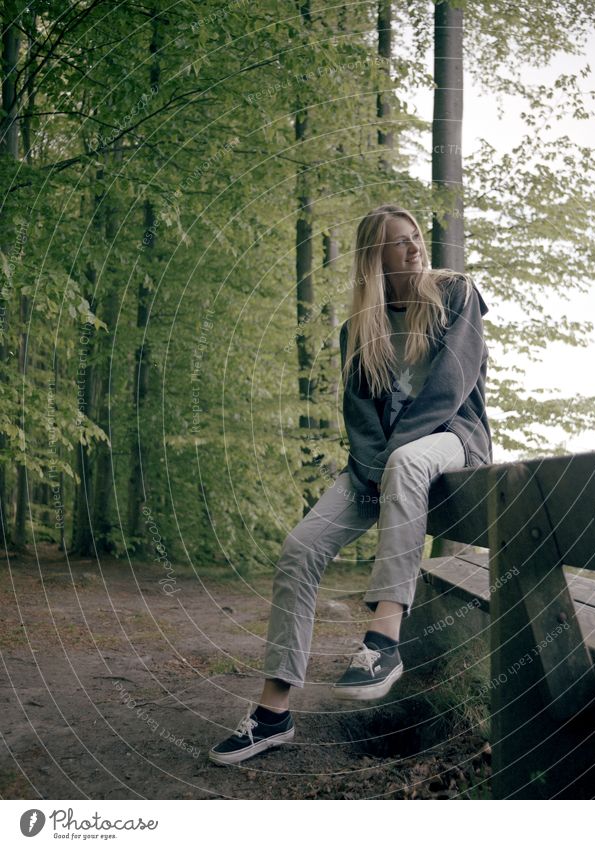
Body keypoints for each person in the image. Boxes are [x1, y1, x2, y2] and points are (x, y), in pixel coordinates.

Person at [209, 203, 492, 765]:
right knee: (299, 550)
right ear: (374, 258)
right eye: (399, 242)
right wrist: (375, 466)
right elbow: (359, 419)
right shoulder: (356, 331)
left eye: (416, 237)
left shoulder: (457, 295)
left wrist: (391, 460)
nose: (414, 248)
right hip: (380, 465)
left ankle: (384, 641)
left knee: (408, 461)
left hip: (454, 444)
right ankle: (272, 713)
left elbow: (450, 389)